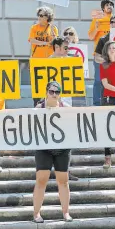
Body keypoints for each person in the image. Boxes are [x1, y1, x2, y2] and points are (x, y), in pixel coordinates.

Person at [32, 81, 73, 223]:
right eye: (51, 91)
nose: (54, 94)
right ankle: (36, 213)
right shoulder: (39, 108)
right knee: (41, 180)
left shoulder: (66, 108)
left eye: (57, 92)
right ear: (46, 92)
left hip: (62, 148)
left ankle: (66, 212)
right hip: (44, 148)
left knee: (63, 180)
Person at [47, 36, 79, 181]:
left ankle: (65, 169)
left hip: (66, 102)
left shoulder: (70, 62)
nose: (68, 50)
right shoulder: (47, 63)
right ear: (57, 47)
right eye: (65, 47)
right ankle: (50, 169)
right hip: (51, 106)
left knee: (68, 135)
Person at [28, 6, 58, 107]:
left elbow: (55, 44)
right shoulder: (34, 28)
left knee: (49, 85)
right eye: (38, 15)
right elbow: (32, 40)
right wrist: (44, 43)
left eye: (41, 15)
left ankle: (49, 105)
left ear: (47, 17)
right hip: (36, 61)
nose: (39, 18)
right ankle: (36, 105)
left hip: (49, 62)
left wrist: (55, 38)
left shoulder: (53, 28)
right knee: (36, 87)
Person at [89, 0, 114, 107]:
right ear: (103, 8)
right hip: (99, 56)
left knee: (113, 80)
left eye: (111, 5)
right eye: (107, 5)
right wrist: (96, 28)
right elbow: (91, 36)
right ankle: (96, 104)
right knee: (99, 81)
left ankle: (111, 102)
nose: (109, 6)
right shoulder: (97, 20)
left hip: (113, 55)